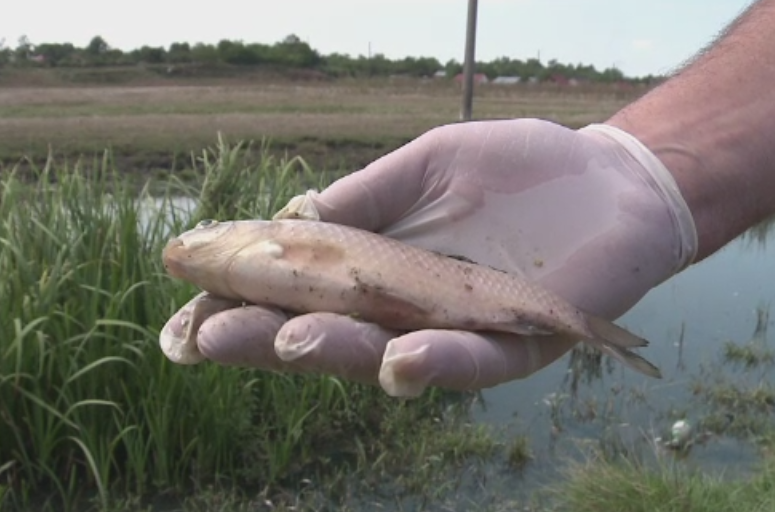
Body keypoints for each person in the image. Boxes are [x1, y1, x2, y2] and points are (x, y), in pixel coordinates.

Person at [162, 0, 775, 397]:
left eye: (209, 227)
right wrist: (650, 174)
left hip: (453, 285)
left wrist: (644, 176)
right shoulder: (244, 268)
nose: (196, 239)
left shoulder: (277, 238)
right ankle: (590, 329)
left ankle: (590, 329)